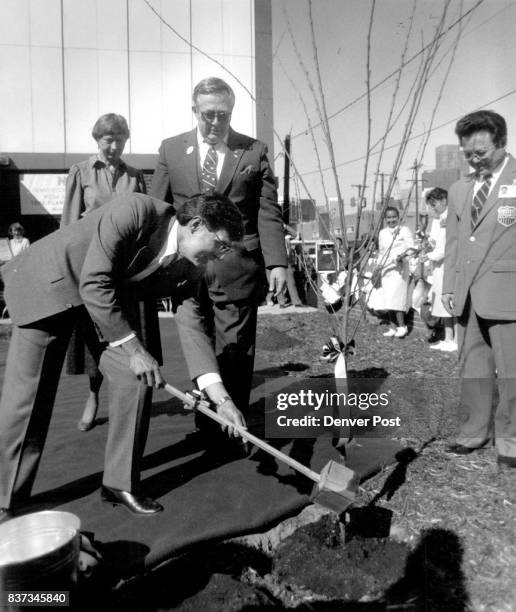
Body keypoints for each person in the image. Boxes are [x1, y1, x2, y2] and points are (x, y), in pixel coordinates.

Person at [0, 192, 246, 520]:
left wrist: (222, 400)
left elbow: (193, 328)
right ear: (197, 225)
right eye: (221, 244)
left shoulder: (192, 268)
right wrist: (134, 349)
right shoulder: (137, 211)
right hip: (50, 285)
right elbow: (94, 281)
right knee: (27, 402)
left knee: (134, 377)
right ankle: (5, 501)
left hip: (98, 304)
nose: (220, 256)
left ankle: (119, 483)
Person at [150, 76, 287, 418]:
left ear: (232, 112)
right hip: (189, 267)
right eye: (208, 114)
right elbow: (157, 206)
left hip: (236, 267)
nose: (215, 122)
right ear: (194, 110)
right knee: (199, 343)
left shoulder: (254, 151)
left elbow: (268, 210)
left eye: (222, 115)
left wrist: (277, 264)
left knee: (234, 350)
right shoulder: (170, 149)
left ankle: (233, 423)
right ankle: (210, 417)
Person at [61, 113, 147, 432]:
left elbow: (142, 224)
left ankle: (122, 402)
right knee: (92, 342)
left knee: (124, 337)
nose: (114, 146)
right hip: (90, 269)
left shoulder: (136, 176)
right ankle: (93, 396)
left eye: (120, 139)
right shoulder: (80, 172)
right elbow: (69, 225)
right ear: (96, 140)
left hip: (124, 272)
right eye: (108, 140)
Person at [442, 109, 516, 467]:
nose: (474, 159)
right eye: (467, 152)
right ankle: (473, 432)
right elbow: (453, 243)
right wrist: (448, 286)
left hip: (509, 294)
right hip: (467, 293)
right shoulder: (459, 189)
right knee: (473, 366)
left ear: (501, 143)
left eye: (481, 152)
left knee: (512, 369)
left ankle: (511, 442)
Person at [422, 188, 457, 352]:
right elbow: (437, 243)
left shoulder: (451, 216)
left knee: (450, 301)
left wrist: (429, 256)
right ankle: (448, 338)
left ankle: (455, 339)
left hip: (448, 265)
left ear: (444, 200)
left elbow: (446, 248)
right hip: (439, 267)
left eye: (434, 204)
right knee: (442, 303)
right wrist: (428, 245)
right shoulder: (438, 219)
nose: (433, 208)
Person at [375, 206, 414, 338]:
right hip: (386, 269)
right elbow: (381, 252)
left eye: (394, 217)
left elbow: (411, 249)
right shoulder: (382, 233)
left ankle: (402, 326)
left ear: (398, 217)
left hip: (399, 269)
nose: (391, 220)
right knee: (388, 299)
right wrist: (379, 266)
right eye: (389, 217)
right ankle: (393, 326)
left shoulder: (404, 230)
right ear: (385, 219)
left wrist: (403, 257)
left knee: (397, 297)